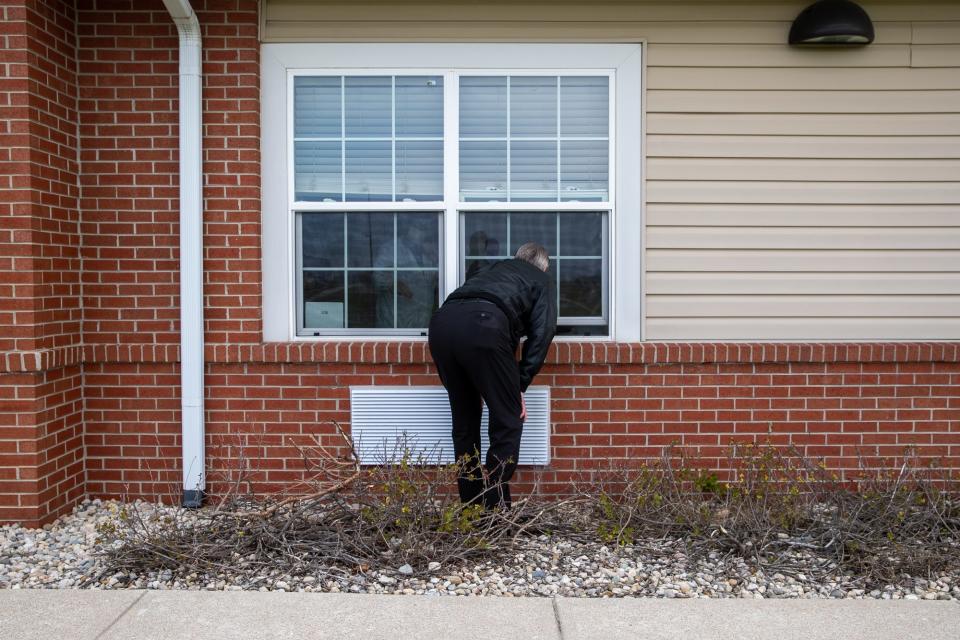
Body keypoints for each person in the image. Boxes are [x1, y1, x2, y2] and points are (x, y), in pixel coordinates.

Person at [428, 242, 557, 510]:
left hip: (442, 325)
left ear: (517, 259)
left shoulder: (493, 269)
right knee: (508, 418)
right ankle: (495, 508)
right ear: (544, 266)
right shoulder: (541, 279)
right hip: (485, 325)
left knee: (465, 420)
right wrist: (519, 385)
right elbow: (542, 333)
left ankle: (471, 506)